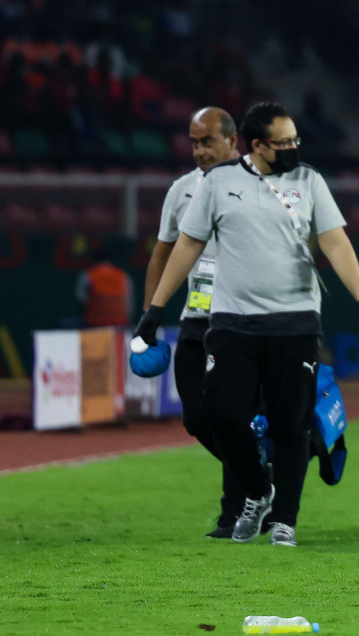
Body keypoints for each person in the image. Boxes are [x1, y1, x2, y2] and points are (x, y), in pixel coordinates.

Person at [134, 101, 359, 547]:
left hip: (295, 322)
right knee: (219, 412)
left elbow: (335, 241)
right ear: (256, 145)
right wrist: (155, 308)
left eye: (294, 140)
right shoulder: (220, 183)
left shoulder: (309, 181)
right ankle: (258, 487)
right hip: (232, 322)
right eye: (283, 142)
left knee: (290, 425)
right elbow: (186, 245)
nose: (292, 148)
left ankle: (283, 518)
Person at [142, 106, 242, 539]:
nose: (200, 150)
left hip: (241, 321)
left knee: (227, 415)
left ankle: (233, 511)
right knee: (196, 418)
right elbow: (163, 254)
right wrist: (151, 312)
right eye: (195, 142)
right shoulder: (181, 191)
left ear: (232, 141)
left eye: (208, 141)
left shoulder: (258, 186)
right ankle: (261, 476)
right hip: (195, 319)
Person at [76, 245, 134, 327]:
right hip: (120, 323)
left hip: (95, 323)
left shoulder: (88, 275)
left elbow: (81, 299)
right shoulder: (123, 276)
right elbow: (129, 304)